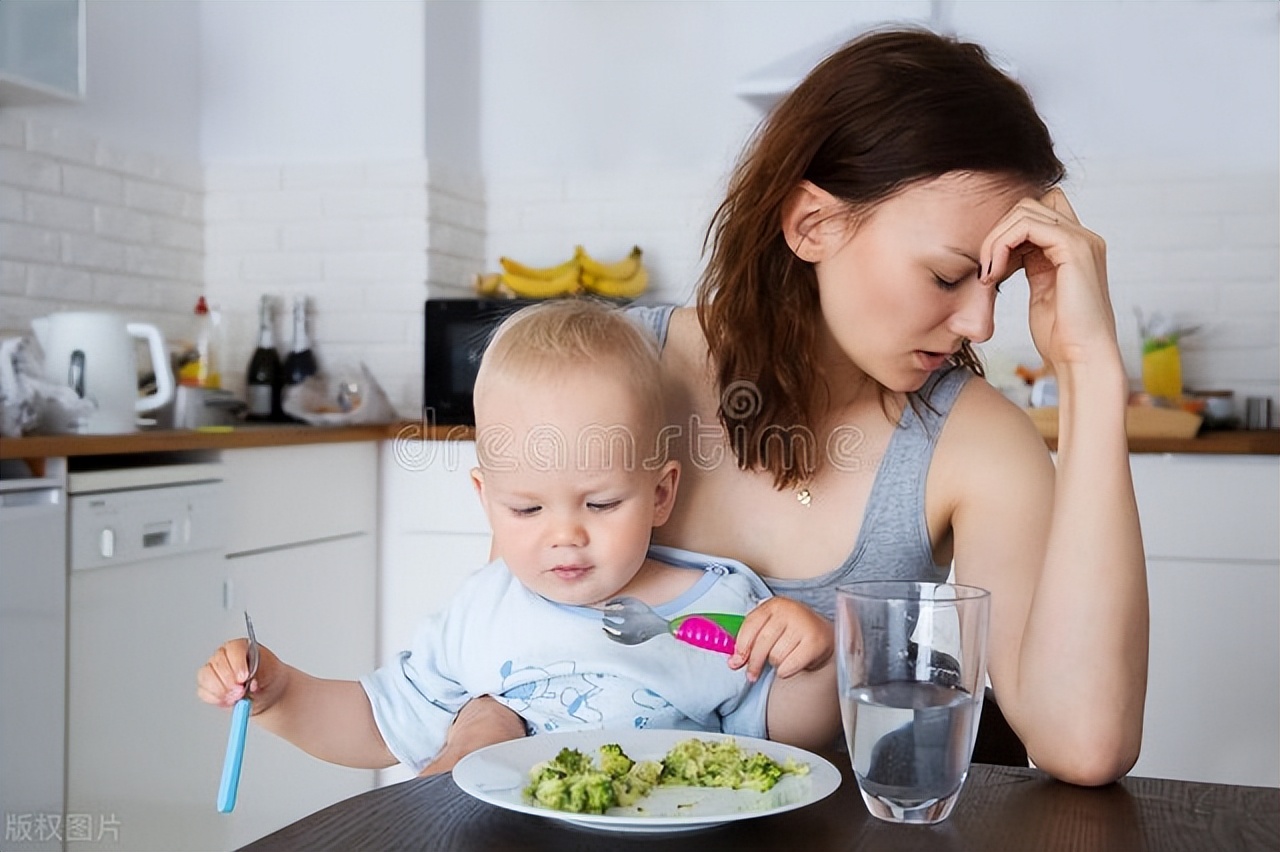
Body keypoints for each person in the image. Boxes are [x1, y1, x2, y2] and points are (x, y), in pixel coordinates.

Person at [426, 27, 1149, 787]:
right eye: (946, 278)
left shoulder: (974, 442)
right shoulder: (611, 376)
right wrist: (479, 723)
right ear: (813, 225)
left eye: (994, 284)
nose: (980, 324)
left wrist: (1091, 371)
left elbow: (1085, 743)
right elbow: (509, 635)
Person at [196, 300, 838, 774]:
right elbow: (379, 725)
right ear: (486, 500)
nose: (565, 536)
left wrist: (809, 665)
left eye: (602, 503)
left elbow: (785, 744)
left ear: (660, 494)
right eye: (527, 509)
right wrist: (281, 693)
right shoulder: (482, 611)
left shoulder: (719, 610)